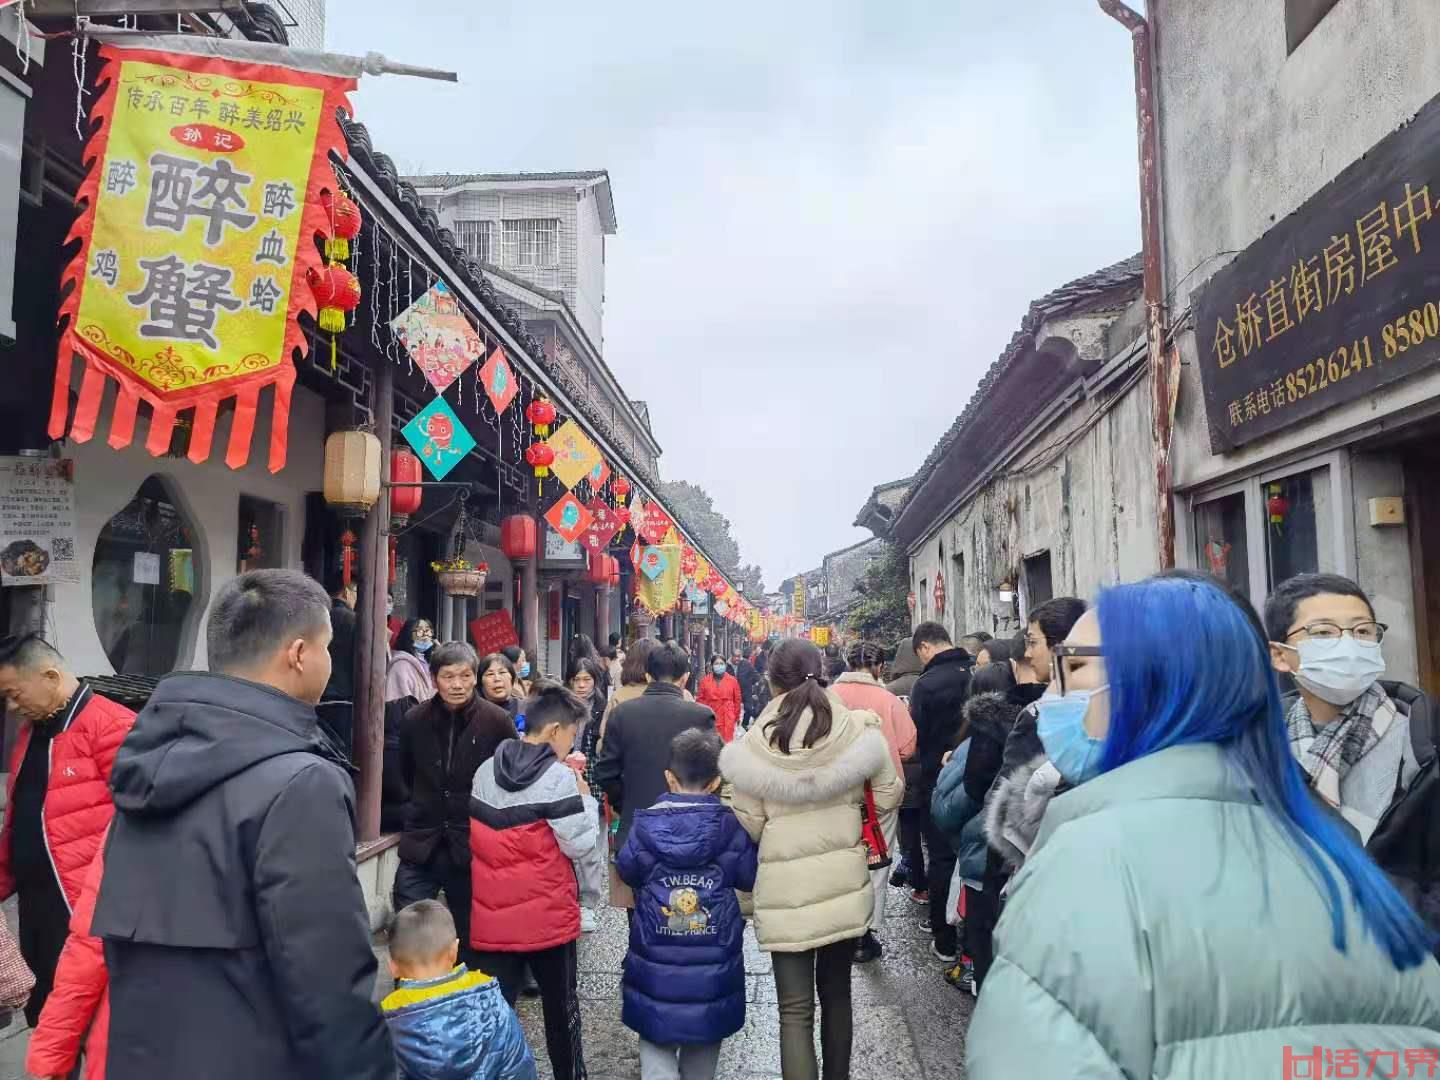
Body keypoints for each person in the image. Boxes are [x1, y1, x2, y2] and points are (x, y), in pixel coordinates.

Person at [966, 574, 1440, 1077]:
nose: (1053, 693)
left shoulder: (1089, 862)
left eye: (1075, 665)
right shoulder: (1333, 845)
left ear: (1149, 683)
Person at [91, 569, 393, 1079]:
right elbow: (328, 979)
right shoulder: (302, 781)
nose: (328, 661)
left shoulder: (148, 761)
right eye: (327, 647)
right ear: (298, 654)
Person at [721, 639, 902, 1080]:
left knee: (794, 1011)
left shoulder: (756, 745)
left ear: (770, 679)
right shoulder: (856, 731)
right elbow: (889, 794)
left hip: (785, 892)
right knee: (838, 996)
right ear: (820, 671)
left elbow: (748, 822)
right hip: (843, 880)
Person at [1266, 572, 1440, 928]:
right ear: (1280, 656)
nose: (1348, 644)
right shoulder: (1259, 750)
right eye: (1323, 633)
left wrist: (1362, 899)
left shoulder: (1423, 745)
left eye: (1362, 631)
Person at [0, 634, 134, 1028]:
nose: (11, 706)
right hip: (37, 910)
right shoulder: (32, 734)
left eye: (13, 693)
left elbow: (146, 830)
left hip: (87, 918)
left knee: (87, 1026)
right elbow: (21, 823)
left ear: (50, 675)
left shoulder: (114, 727)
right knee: (46, 1019)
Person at [469, 682, 599, 1080]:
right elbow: (580, 846)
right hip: (547, 920)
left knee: (496, 1015)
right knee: (561, 1013)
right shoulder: (559, 780)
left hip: (492, 916)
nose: (570, 742)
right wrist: (586, 797)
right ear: (557, 730)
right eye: (572, 734)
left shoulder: (486, 769)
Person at [617, 729, 757, 1080]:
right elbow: (748, 875)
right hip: (712, 959)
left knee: (654, 1036)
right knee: (704, 1037)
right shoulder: (729, 825)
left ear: (669, 777)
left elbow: (627, 869)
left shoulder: (646, 823)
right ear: (715, 783)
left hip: (656, 957)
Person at [396, 642, 517, 968]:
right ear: (434, 678)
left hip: (471, 843)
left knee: (470, 933)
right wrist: (413, 809)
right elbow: (403, 772)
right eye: (448, 676)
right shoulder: (413, 719)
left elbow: (508, 780)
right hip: (423, 838)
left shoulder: (497, 721)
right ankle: (412, 996)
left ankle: (465, 1002)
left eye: (465, 676)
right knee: (408, 921)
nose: (458, 684)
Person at [596, 642, 716, 910]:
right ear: (685, 677)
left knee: (640, 914)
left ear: (648, 675)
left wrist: (623, 803)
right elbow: (714, 773)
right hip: (689, 830)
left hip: (637, 828)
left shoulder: (622, 714)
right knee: (686, 909)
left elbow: (605, 771)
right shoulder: (701, 715)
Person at [382, 900, 536, 1080]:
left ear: (392, 967)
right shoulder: (493, 1003)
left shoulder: (388, 1025)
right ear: (454, 951)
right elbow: (519, 1069)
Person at [832, 640, 916, 964]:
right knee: (877, 859)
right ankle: (864, 936)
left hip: (836, 791)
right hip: (880, 793)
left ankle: (840, 924)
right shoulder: (888, 700)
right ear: (880, 667)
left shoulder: (829, 698)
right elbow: (908, 746)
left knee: (840, 856)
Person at [908, 621, 974, 962]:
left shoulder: (927, 684)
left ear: (924, 648)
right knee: (977, 855)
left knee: (942, 857)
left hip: (940, 780)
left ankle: (944, 936)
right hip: (980, 775)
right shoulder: (979, 670)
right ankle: (975, 938)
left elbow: (914, 735)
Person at [884, 638, 926, 893]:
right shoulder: (927, 683)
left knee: (908, 828)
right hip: (930, 765)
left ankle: (918, 881)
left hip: (901, 766)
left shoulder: (888, 691)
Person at [322, 570, 358, 704]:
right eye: (356, 593)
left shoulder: (315, 615)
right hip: (346, 696)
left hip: (317, 692)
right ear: (346, 592)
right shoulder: (354, 620)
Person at [387, 618, 437, 703]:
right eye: (420, 631)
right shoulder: (400, 666)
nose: (425, 636)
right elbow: (399, 705)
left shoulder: (426, 662)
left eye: (428, 631)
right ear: (408, 634)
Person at [695, 655, 743, 742]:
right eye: (716, 663)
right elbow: (700, 701)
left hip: (727, 719)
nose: (719, 666)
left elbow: (737, 700)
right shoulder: (705, 681)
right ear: (712, 666)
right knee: (711, 745)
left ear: (725, 665)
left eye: (721, 663)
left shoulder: (733, 681)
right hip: (711, 718)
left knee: (726, 745)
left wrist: (735, 717)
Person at [480, 652, 522, 720]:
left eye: (502, 672)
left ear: (512, 677)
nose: (497, 679)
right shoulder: (473, 713)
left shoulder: (527, 709)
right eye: (490, 674)